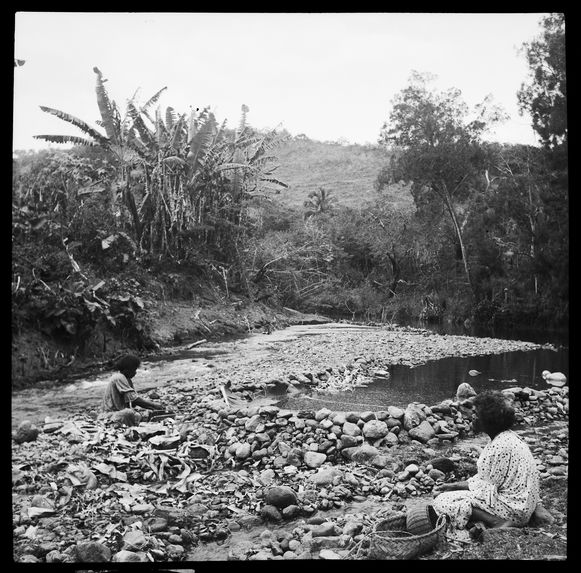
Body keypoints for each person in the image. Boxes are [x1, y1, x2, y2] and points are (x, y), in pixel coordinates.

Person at [432, 390, 540, 531]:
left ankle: (497, 522)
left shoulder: (500, 446)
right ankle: (480, 520)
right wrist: (453, 486)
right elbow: (486, 481)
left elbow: (486, 490)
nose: (472, 417)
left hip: (515, 510)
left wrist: (452, 489)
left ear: (488, 419)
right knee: (449, 495)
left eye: (476, 414)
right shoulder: (506, 438)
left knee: (442, 501)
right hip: (521, 505)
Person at [100, 354, 166, 426]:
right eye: (134, 370)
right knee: (129, 413)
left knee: (141, 413)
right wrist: (154, 405)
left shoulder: (127, 379)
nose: (135, 373)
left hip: (118, 412)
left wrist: (152, 408)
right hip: (110, 415)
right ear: (127, 369)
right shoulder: (119, 377)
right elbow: (134, 399)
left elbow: (132, 402)